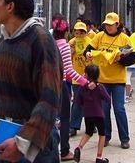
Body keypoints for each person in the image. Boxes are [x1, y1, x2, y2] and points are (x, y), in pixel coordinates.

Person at [0, 0, 62, 163]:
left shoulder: (41, 40)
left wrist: (22, 144)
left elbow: (50, 98)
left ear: (10, 7)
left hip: (31, 141)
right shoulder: (4, 42)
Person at [83, 12, 131, 149]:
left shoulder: (124, 39)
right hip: (102, 80)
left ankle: (124, 138)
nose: (108, 27)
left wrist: (120, 59)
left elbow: (133, 58)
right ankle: (106, 137)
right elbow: (89, 49)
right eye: (106, 25)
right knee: (104, 109)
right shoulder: (99, 36)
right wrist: (87, 53)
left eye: (111, 25)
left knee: (119, 108)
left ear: (117, 24)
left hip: (118, 80)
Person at [51, 16, 93, 161]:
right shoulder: (65, 46)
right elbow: (69, 70)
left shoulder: (48, 43)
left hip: (47, 84)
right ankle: (64, 151)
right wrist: (85, 82)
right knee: (64, 119)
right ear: (67, 31)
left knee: (49, 117)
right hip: (60, 85)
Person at [73, 64, 111, 163]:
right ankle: (99, 157)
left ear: (86, 74)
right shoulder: (100, 87)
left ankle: (79, 148)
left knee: (88, 132)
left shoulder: (82, 87)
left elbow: (78, 101)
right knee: (102, 135)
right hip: (98, 114)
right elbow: (108, 99)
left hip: (87, 114)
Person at [69, 21, 91, 136]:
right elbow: (67, 59)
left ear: (85, 33)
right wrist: (71, 50)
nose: (78, 35)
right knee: (77, 102)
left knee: (89, 102)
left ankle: (92, 124)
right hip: (75, 77)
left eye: (81, 33)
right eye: (76, 33)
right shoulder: (71, 42)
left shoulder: (90, 43)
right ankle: (73, 126)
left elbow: (92, 61)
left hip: (87, 77)